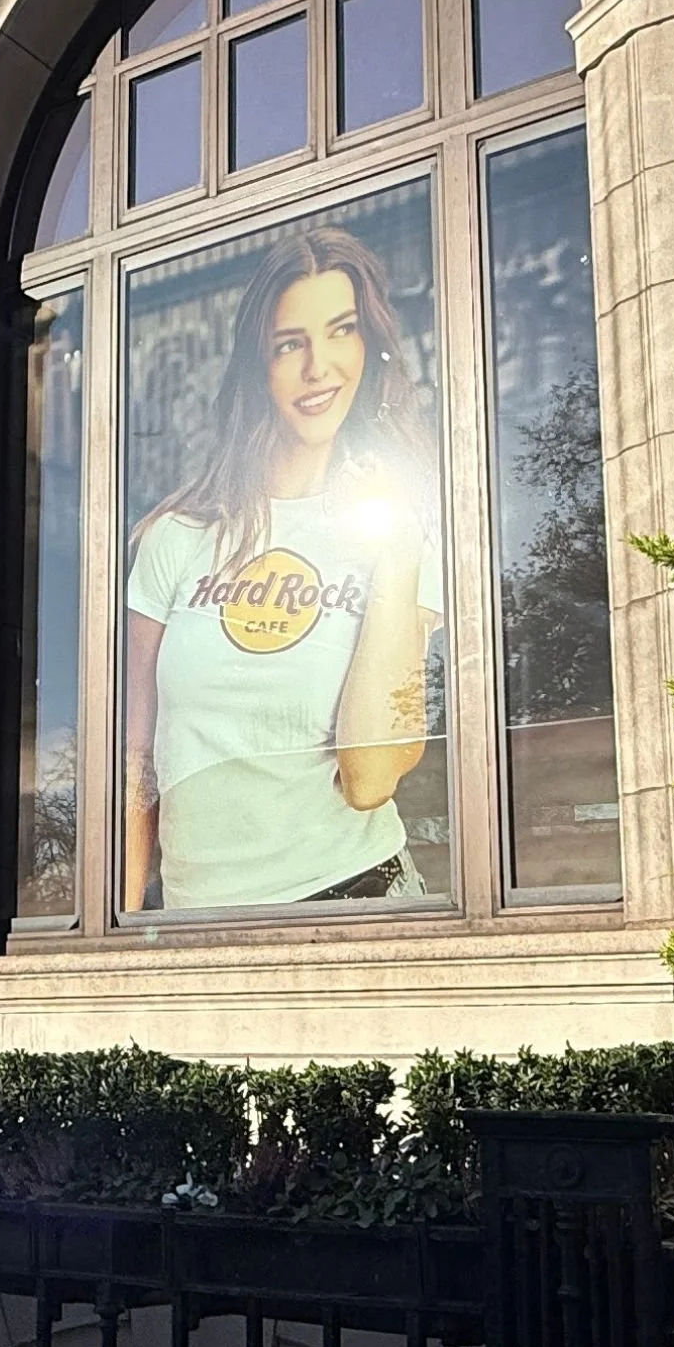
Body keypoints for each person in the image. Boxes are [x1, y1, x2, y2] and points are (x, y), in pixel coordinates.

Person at [123, 227, 440, 914]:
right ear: (257, 365)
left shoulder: (401, 538)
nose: (319, 367)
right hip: (194, 917)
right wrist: (113, 935)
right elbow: (134, 766)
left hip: (358, 896)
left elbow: (369, 775)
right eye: (290, 343)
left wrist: (394, 548)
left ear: (369, 347)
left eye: (343, 331)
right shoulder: (174, 539)